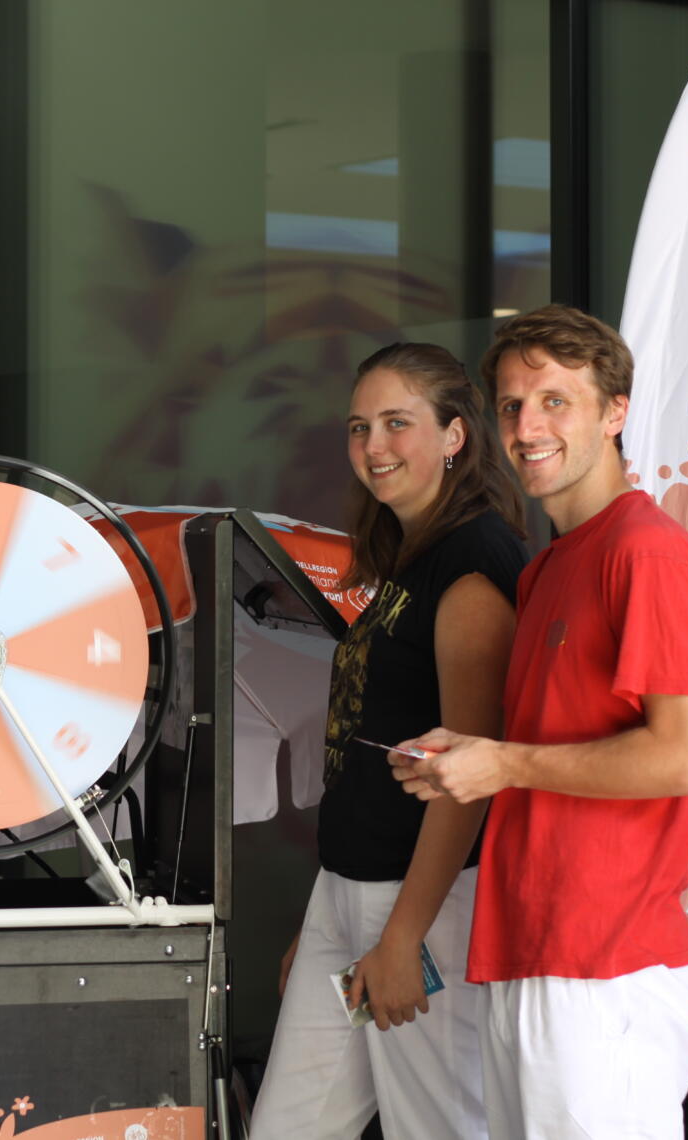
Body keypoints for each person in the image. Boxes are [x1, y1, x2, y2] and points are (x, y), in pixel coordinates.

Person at [389, 304, 688, 1140]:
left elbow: (686, 757)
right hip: (531, 952)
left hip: (603, 965)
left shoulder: (644, 549)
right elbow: (543, 747)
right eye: (510, 405)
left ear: (615, 413)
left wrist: (502, 765)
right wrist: (465, 757)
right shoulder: (544, 572)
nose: (526, 426)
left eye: (554, 401)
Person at [249, 343, 528, 1140]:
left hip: (424, 905)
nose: (374, 446)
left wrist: (403, 935)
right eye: (359, 426)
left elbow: (465, 779)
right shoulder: (411, 557)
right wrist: (324, 917)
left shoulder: (473, 565)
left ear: (454, 436)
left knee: (438, 1127)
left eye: (398, 423)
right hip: (350, 892)